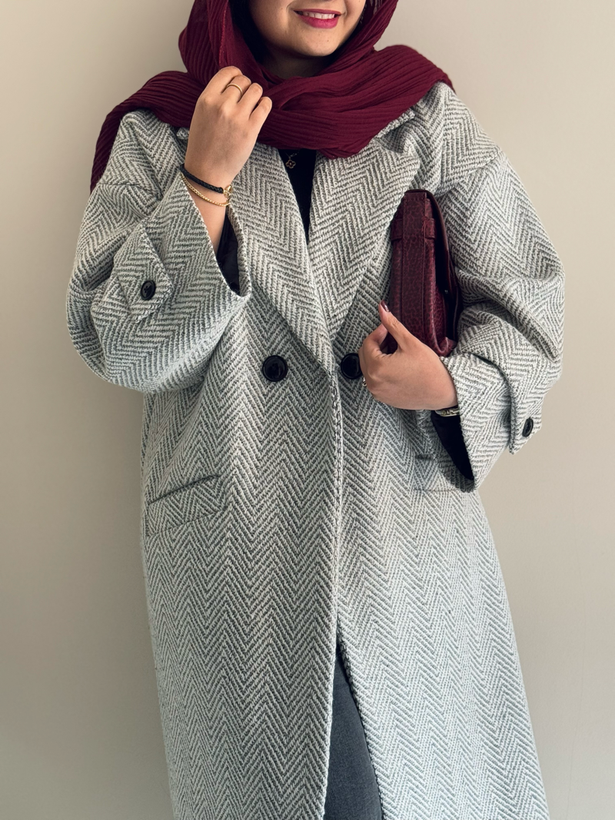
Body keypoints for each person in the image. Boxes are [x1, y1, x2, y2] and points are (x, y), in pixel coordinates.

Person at [65, 1, 565, 819]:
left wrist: (448, 388)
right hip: (242, 553)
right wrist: (203, 182)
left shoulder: (422, 116)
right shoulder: (161, 129)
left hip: (397, 538)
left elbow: (526, 305)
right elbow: (119, 345)